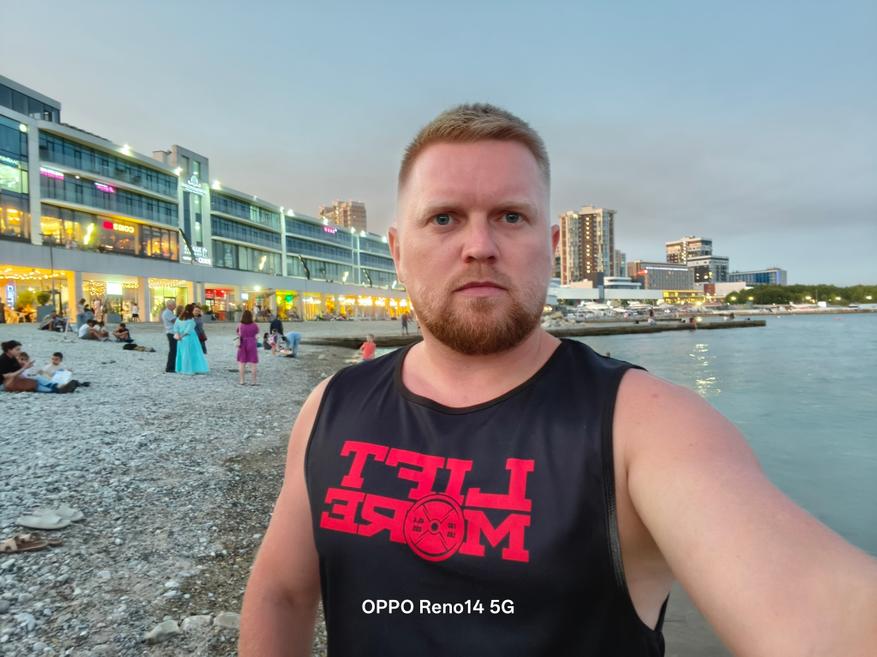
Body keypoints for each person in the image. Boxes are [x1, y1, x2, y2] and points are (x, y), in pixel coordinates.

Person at [239, 104, 877, 657]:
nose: (479, 246)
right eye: (445, 218)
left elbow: (815, 604)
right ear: (398, 250)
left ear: (551, 246)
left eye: (510, 217)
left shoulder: (644, 426)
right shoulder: (333, 405)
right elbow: (281, 592)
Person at [173, 303, 209, 375]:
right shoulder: (191, 320)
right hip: (190, 339)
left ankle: (182, 368)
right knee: (192, 353)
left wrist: (178, 336)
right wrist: (181, 336)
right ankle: (190, 369)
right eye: (195, 311)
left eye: (198, 311)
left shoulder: (178, 319)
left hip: (180, 340)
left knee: (182, 354)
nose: (197, 312)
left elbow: (175, 328)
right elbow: (188, 331)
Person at [236, 309, 260, 385]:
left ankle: (242, 381)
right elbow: (257, 334)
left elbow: (238, 334)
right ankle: (254, 381)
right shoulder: (254, 325)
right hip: (252, 343)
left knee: (242, 362)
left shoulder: (240, 325)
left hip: (242, 343)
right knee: (253, 363)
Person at [161, 299, 177, 373]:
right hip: (171, 333)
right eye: (174, 305)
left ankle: (173, 366)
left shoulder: (169, 312)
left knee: (174, 350)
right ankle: (170, 368)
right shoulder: (167, 313)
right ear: (169, 305)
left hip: (171, 332)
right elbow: (175, 321)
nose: (175, 306)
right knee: (173, 351)